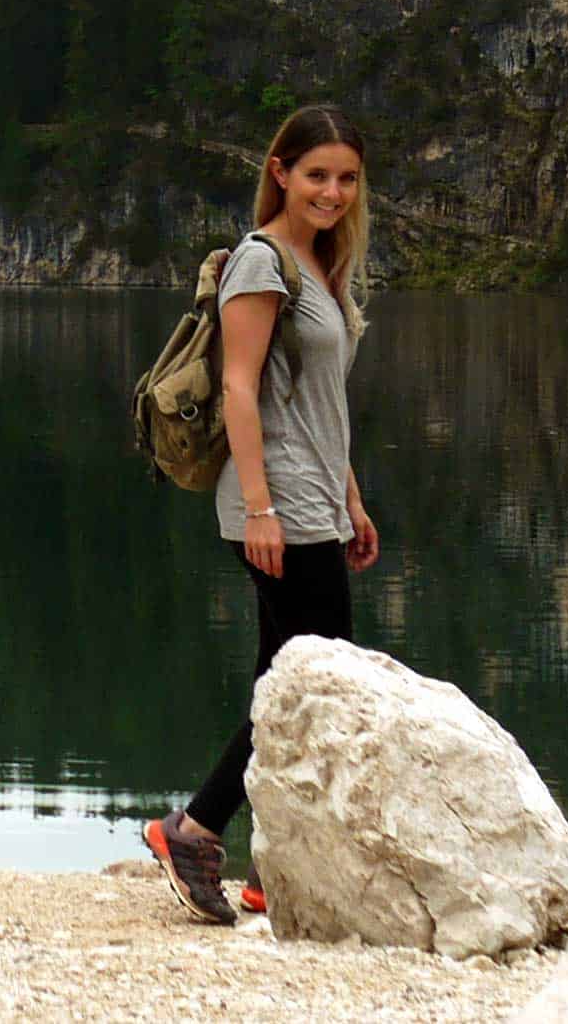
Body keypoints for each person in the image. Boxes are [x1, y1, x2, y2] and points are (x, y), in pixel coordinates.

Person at [142, 102, 376, 924]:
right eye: (317, 175)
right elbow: (239, 388)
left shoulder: (319, 267)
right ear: (281, 172)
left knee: (289, 686)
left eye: (346, 178)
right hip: (275, 509)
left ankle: (264, 865)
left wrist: (350, 498)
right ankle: (200, 829)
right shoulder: (261, 262)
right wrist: (260, 507)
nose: (333, 192)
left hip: (316, 505)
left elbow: (318, 402)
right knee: (311, 688)